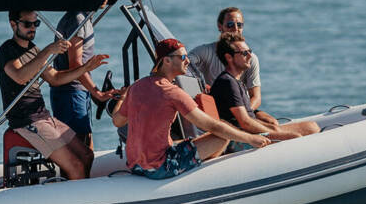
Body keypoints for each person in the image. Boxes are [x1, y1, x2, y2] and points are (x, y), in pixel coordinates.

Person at [112, 38, 269, 179]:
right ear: (166, 60)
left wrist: (123, 97)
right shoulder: (172, 92)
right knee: (221, 136)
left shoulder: (136, 87)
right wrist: (251, 138)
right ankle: (202, 177)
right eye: (183, 57)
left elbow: (117, 121)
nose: (188, 61)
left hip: (135, 165)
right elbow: (211, 125)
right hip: (161, 167)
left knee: (184, 140)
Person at [0, 10, 109, 180]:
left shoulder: (33, 50)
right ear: (13, 24)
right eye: (28, 24)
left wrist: (85, 69)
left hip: (43, 115)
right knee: (76, 165)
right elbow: (20, 77)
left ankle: (80, 193)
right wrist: (49, 50)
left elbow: (55, 78)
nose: (32, 28)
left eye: (36, 24)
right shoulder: (7, 50)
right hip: (26, 120)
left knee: (87, 155)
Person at [211, 35, 320, 140]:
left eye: (250, 51)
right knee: (300, 134)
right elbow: (245, 123)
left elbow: (249, 119)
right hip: (245, 139)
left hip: (253, 132)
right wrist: (274, 133)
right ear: (229, 57)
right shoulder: (227, 82)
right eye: (244, 53)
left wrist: (271, 127)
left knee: (312, 127)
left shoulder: (235, 81)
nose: (249, 56)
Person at [188, 6, 279, 129]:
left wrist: (244, 113)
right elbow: (184, 64)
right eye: (230, 24)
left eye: (239, 25)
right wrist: (201, 83)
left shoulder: (250, 58)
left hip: (242, 108)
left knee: (272, 122)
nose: (235, 28)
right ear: (220, 26)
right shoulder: (205, 51)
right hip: (220, 110)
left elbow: (256, 97)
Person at [49, 10, 117, 148]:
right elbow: (76, 64)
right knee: (81, 152)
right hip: (71, 94)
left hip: (76, 92)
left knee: (85, 148)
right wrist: (98, 93)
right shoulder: (78, 20)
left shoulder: (83, 18)